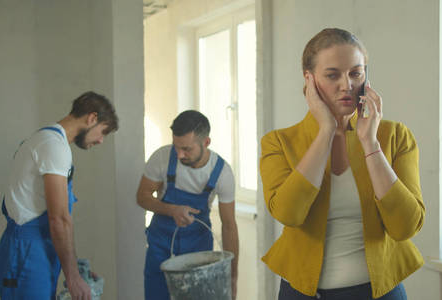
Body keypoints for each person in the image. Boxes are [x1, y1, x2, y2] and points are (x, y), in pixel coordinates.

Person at [259, 28, 425, 300]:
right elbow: (289, 214)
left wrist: (370, 143)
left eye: (356, 73)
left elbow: (405, 227)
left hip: (380, 292)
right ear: (309, 79)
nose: (346, 84)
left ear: (366, 77)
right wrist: (326, 131)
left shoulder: (395, 136)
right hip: (303, 293)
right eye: (332, 75)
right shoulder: (278, 142)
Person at [0, 91, 119, 300]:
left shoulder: (49, 141)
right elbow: (59, 219)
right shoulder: (53, 146)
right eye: (103, 132)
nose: (100, 141)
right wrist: (73, 278)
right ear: (92, 118)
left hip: (39, 247)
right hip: (27, 250)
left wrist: (76, 269)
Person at [137, 110, 239, 300]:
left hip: (199, 250)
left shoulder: (222, 173)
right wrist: (172, 210)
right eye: (176, 147)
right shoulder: (162, 158)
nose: (179, 154)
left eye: (186, 149)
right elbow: (142, 197)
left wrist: (232, 277)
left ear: (206, 142)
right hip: (160, 248)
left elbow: (229, 226)